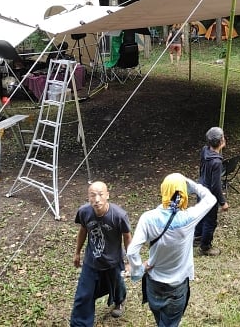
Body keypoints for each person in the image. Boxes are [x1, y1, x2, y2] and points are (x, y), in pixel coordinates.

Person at [127, 173, 216, 327]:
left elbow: (131, 251)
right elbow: (211, 199)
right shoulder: (189, 217)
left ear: (163, 190)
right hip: (177, 287)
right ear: (184, 193)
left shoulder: (148, 218)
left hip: (153, 284)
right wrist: (190, 183)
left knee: (160, 321)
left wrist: (138, 270)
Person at [70, 181, 132, 326]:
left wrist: (129, 261)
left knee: (117, 286)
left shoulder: (119, 215)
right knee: (83, 295)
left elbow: (127, 237)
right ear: (88, 197)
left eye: (100, 195)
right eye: (92, 195)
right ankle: (80, 324)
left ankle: (120, 300)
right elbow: (83, 230)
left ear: (107, 196)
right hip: (92, 261)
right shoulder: (84, 212)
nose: (96, 199)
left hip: (113, 260)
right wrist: (77, 252)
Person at [194, 126, 229, 256]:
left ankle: (197, 237)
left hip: (200, 188)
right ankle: (205, 247)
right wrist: (222, 202)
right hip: (209, 195)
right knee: (210, 221)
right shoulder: (217, 162)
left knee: (201, 214)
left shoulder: (205, 150)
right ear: (221, 141)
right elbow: (216, 186)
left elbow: (201, 168)